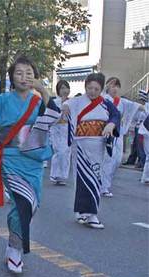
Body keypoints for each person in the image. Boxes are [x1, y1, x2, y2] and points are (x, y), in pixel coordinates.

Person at [0, 56, 60, 274]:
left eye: (29, 73)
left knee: (32, 203)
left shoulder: (39, 101)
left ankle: (12, 242)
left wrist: (44, 92)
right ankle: (16, 250)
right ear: (11, 78)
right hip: (10, 158)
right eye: (19, 73)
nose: (24, 77)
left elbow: (55, 118)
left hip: (33, 160)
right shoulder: (1, 100)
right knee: (22, 201)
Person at [62, 72, 120, 229]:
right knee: (82, 178)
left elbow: (116, 115)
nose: (92, 91)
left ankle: (89, 212)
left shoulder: (106, 103)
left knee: (95, 178)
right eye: (89, 88)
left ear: (101, 89)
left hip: (97, 145)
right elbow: (67, 104)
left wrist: (111, 124)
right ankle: (87, 213)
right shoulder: (78, 100)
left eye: (96, 88)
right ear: (85, 87)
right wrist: (65, 107)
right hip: (80, 146)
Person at [100, 77, 145, 197]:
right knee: (108, 160)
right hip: (105, 134)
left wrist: (145, 106)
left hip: (118, 135)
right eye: (112, 85)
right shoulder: (103, 99)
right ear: (107, 86)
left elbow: (137, 107)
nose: (115, 88)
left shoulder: (121, 102)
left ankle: (103, 181)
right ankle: (104, 186)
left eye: (117, 86)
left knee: (117, 160)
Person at [50, 79, 71, 185]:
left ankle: (62, 176)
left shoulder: (71, 102)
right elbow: (52, 117)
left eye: (66, 87)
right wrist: (61, 112)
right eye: (62, 88)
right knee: (59, 152)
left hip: (67, 130)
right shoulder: (54, 102)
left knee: (66, 153)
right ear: (58, 90)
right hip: (57, 129)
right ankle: (55, 174)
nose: (65, 90)